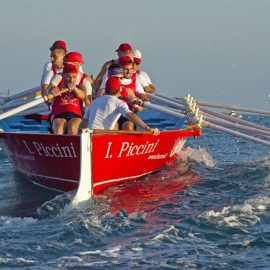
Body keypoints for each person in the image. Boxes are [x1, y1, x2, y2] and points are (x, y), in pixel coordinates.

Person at [80, 77, 159, 135]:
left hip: (90, 136)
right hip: (103, 138)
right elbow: (131, 115)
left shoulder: (95, 102)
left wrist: (79, 137)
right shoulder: (119, 103)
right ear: (119, 90)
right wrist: (147, 128)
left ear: (105, 89)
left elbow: (84, 122)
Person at [48, 64, 86, 135]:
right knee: (59, 127)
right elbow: (49, 91)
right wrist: (52, 90)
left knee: (73, 126)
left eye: (74, 77)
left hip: (76, 116)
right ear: (63, 76)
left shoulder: (80, 86)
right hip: (59, 115)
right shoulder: (57, 88)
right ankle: (58, 145)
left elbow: (83, 95)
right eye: (68, 77)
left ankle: (73, 145)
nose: (71, 80)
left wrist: (74, 88)